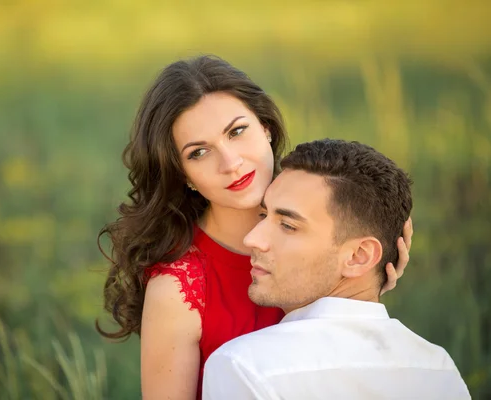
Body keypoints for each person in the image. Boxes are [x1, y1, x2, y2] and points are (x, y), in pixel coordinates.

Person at [97, 56, 413, 400]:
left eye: (237, 132)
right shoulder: (178, 290)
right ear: (183, 175)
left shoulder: (328, 211)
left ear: (266, 128)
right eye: (199, 152)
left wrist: (365, 293)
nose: (231, 163)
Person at [202, 139, 470, 400]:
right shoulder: (438, 368)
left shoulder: (244, 367)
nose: (252, 240)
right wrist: (368, 286)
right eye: (263, 215)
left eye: (288, 226)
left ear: (359, 256)